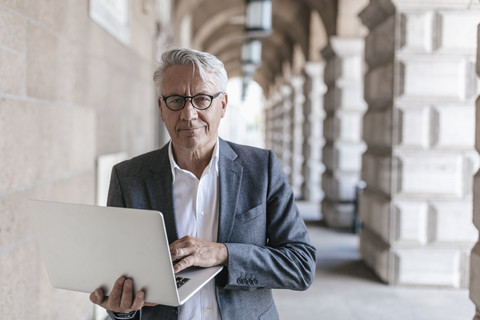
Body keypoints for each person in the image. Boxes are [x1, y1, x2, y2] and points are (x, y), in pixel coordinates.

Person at [89, 48, 316, 320]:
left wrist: (222, 253)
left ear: (223, 105)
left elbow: (301, 265)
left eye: (201, 99)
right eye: (175, 100)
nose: (188, 113)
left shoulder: (261, 168)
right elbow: (120, 277)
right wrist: (121, 310)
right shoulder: (129, 177)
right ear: (161, 108)